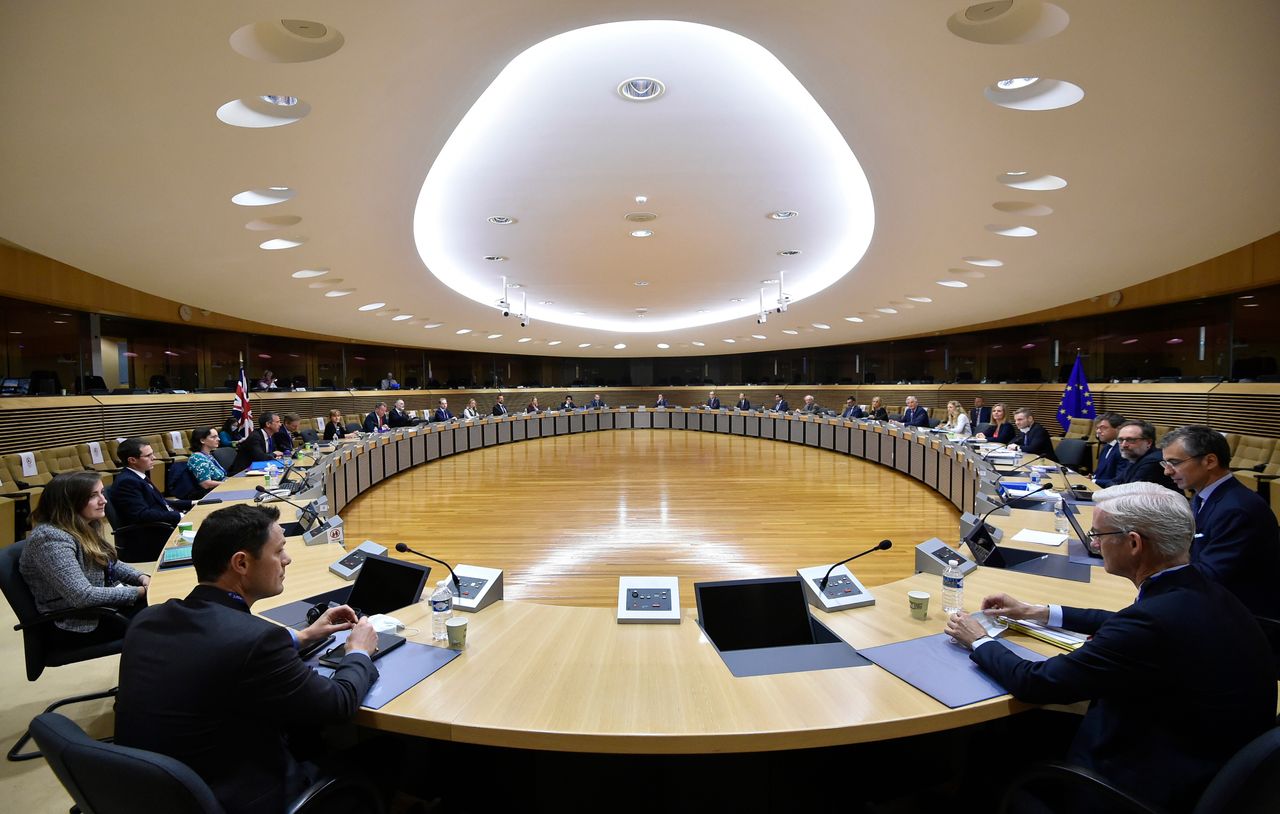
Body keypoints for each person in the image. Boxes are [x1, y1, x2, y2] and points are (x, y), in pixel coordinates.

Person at [945, 484, 1275, 812]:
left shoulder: (1151, 623)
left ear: (1133, 543)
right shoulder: (1198, 590)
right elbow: (1124, 621)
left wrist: (977, 638)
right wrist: (1037, 612)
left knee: (987, 745)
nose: (1093, 543)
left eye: (1098, 534)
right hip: (1200, 754)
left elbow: (1036, 682)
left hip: (1138, 783)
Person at [115, 504, 380, 814]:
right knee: (388, 755)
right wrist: (359, 650)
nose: (287, 559)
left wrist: (304, 636)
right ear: (241, 563)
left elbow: (217, 652)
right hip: (243, 799)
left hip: (159, 795)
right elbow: (339, 704)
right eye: (279, 550)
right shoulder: (255, 640)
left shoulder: (147, 620)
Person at [1158, 425, 1280, 618]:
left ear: (1210, 461)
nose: (1167, 472)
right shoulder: (1203, 497)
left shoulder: (1237, 509)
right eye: (1165, 464)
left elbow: (1211, 574)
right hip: (1212, 602)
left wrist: (1153, 575)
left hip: (1240, 619)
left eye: (1174, 463)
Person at [19, 472, 149, 646]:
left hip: (102, 610)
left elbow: (109, 563)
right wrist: (139, 592)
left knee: (171, 603)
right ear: (69, 502)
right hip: (77, 624)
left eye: (102, 492)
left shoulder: (83, 524)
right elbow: (82, 595)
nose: (104, 500)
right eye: (93, 496)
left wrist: (141, 577)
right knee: (169, 616)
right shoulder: (49, 538)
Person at [112, 437, 191, 523]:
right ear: (132, 460)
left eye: (152, 454)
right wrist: (179, 516)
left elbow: (161, 501)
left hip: (166, 519)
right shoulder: (127, 482)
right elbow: (142, 514)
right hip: (156, 529)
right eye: (148, 455)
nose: (154, 457)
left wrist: (192, 503)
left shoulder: (137, 476)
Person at [1113, 419, 1176, 490]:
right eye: (1120, 440)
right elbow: (1116, 482)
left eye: (1131, 440)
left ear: (1148, 442)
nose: (1124, 445)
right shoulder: (1135, 457)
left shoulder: (1152, 462)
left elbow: (1130, 492)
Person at [187, 427, 227, 492]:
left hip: (220, 488)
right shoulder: (198, 458)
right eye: (213, 437)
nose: (218, 439)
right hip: (212, 493)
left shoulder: (208, 455)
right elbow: (205, 484)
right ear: (202, 440)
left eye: (217, 436)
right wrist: (227, 484)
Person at [1091, 412, 1126, 486]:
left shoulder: (1123, 450)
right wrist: (1092, 477)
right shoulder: (1106, 447)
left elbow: (1119, 482)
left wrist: (1094, 481)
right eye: (1097, 428)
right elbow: (1100, 472)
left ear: (1119, 429)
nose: (1098, 431)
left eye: (1103, 428)